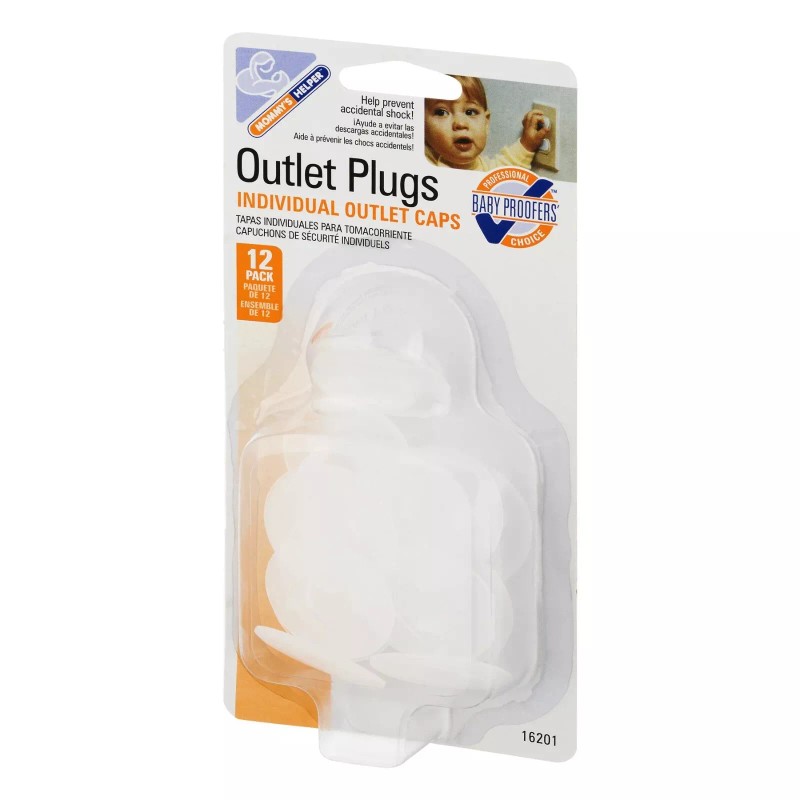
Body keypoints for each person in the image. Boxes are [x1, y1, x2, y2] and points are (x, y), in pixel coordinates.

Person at [425, 75, 549, 170]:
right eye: (442, 113)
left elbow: (505, 172)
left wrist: (527, 144)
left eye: (470, 112)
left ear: (486, 123)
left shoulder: (485, 168)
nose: (461, 123)